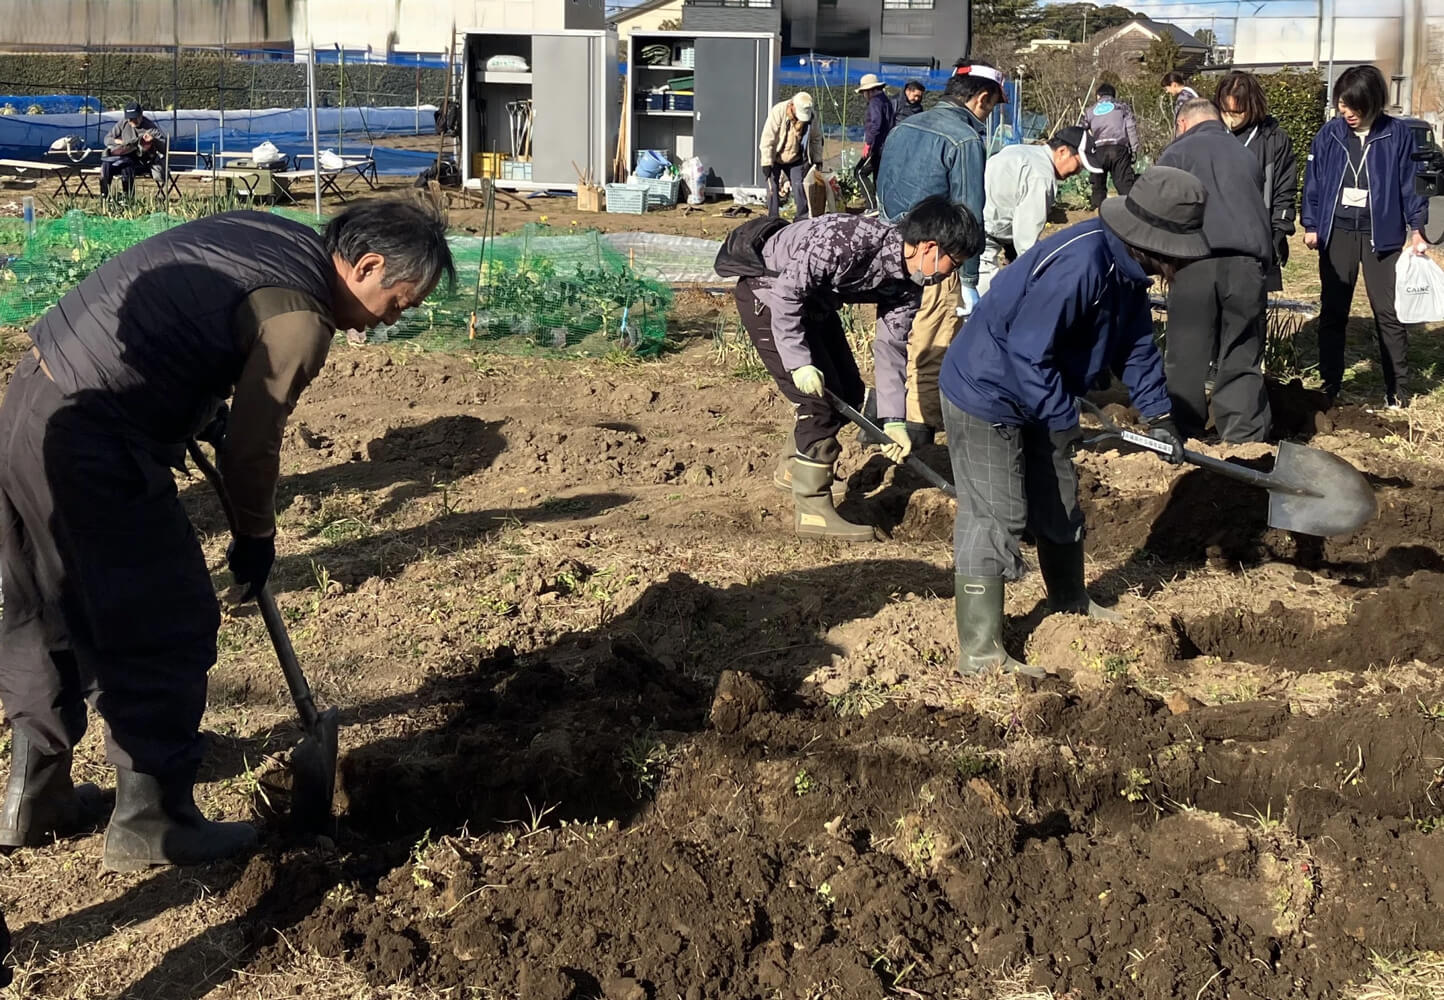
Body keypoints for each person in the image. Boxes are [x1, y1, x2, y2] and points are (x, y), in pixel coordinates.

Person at [0, 199, 454, 871]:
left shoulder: (276, 236)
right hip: (96, 439)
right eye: (400, 302)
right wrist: (255, 536)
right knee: (169, 619)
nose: (393, 319)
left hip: (31, 402)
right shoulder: (303, 321)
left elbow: (190, 320)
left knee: (45, 610)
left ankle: (34, 797)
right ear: (368, 266)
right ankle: (151, 822)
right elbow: (253, 449)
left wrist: (199, 407)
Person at [939, 167, 1202, 676]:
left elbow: (1137, 344)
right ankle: (980, 651)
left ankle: (1070, 602)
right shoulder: (1081, 265)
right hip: (988, 389)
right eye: (1180, 255)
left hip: (1040, 388)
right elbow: (1027, 350)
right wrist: (1063, 418)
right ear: (1155, 243)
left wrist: (1161, 415)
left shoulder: (1125, 271)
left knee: (1059, 496)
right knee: (996, 513)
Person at [723, 197, 983, 541]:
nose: (952, 272)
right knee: (819, 403)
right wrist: (800, 363)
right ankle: (813, 510)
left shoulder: (909, 284)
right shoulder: (847, 240)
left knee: (848, 391)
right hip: (768, 293)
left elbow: (891, 347)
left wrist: (893, 421)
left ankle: (793, 471)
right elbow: (786, 296)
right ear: (929, 247)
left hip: (815, 305)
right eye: (954, 262)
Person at [876, 63, 1008, 443]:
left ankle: (885, 413)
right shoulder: (965, 140)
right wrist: (968, 280)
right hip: (937, 257)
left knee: (893, 336)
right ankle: (919, 429)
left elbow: (884, 189)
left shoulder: (903, 127)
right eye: (991, 106)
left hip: (891, 251)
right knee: (933, 341)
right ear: (981, 98)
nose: (989, 114)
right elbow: (969, 212)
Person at [1301, 63, 1430, 408]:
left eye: (1353, 106)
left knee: (1388, 313)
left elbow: (1411, 185)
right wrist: (1311, 224)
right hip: (1338, 231)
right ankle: (1330, 384)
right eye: (1341, 105)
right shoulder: (1329, 135)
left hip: (1382, 235)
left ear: (1372, 101)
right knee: (1334, 311)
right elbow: (1314, 181)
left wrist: (1417, 228)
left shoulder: (1397, 134)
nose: (1346, 112)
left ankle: (1397, 389)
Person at [1157, 99, 1274, 442]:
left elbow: (1160, 207)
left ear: (1182, 124)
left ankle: (1184, 429)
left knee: (1187, 350)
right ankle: (1244, 435)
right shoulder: (1244, 153)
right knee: (1241, 348)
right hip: (1247, 263)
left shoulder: (1177, 153)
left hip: (1195, 260)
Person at [979, 125, 1099, 294]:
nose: (1078, 172)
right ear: (1063, 151)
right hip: (984, 237)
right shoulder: (1041, 175)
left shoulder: (1021, 151)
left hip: (973, 221)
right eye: (1079, 164)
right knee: (988, 300)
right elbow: (1026, 243)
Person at [1215, 71, 1298, 293]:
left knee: (1251, 311)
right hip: (1215, 237)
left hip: (1255, 238)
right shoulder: (1210, 133)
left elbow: (1284, 188)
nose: (1231, 118)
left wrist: (1280, 228)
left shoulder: (1273, 139)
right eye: (1225, 111)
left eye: (1237, 112)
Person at [759, 92, 824, 220]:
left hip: (796, 158)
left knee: (799, 186)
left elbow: (816, 139)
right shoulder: (778, 111)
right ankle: (773, 219)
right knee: (773, 189)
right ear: (793, 106)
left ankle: (802, 218)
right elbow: (767, 139)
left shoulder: (811, 116)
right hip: (776, 158)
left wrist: (817, 159)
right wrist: (766, 162)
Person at [1079, 83, 1140, 209]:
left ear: (1098, 96)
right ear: (1113, 95)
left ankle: (1098, 210)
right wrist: (1134, 149)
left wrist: (1086, 150)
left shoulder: (1090, 110)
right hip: (1119, 149)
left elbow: (1081, 130)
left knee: (1098, 184)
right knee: (1124, 183)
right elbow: (1131, 127)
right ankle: (1130, 211)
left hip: (1099, 149)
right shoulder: (1122, 107)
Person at [100, 101, 166, 198]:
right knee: (106, 165)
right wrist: (117, 142)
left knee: (126, 165)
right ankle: (105, 196)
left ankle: (128, 198)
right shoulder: (123, 123)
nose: (132, 121)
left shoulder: (150, 127)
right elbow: (107, 139)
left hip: (141, 162)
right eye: (129, 119)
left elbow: (164, 147)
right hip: (121, 157)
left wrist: (154, 140)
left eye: (134, 118)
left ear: (141, 115)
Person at [856, 73, 896, 213]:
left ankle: (871, 206)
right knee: (878, 177)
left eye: (863, 92)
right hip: (887, 145)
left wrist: (868, 144)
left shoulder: (875, 102)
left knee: (859, 172)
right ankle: (882, 207)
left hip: (877, 146)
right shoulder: (886, 100)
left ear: (869, 90)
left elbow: (876, 124)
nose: (863, 95)